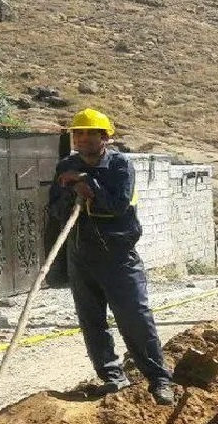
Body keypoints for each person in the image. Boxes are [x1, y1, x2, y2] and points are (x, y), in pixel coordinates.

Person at [48, 108, 175, 406]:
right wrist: (68, 191)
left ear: (104, 137)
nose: (80, 138)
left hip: (118, 255)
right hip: (80, 255)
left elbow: (118, 205)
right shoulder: (66, 165)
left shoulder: (120, 166)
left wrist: (87, 186)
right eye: (77, 133)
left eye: (88, 133)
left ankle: (159, 380)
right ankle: (112, 377)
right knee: (92, 322)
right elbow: (54, 209)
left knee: (135, 318)